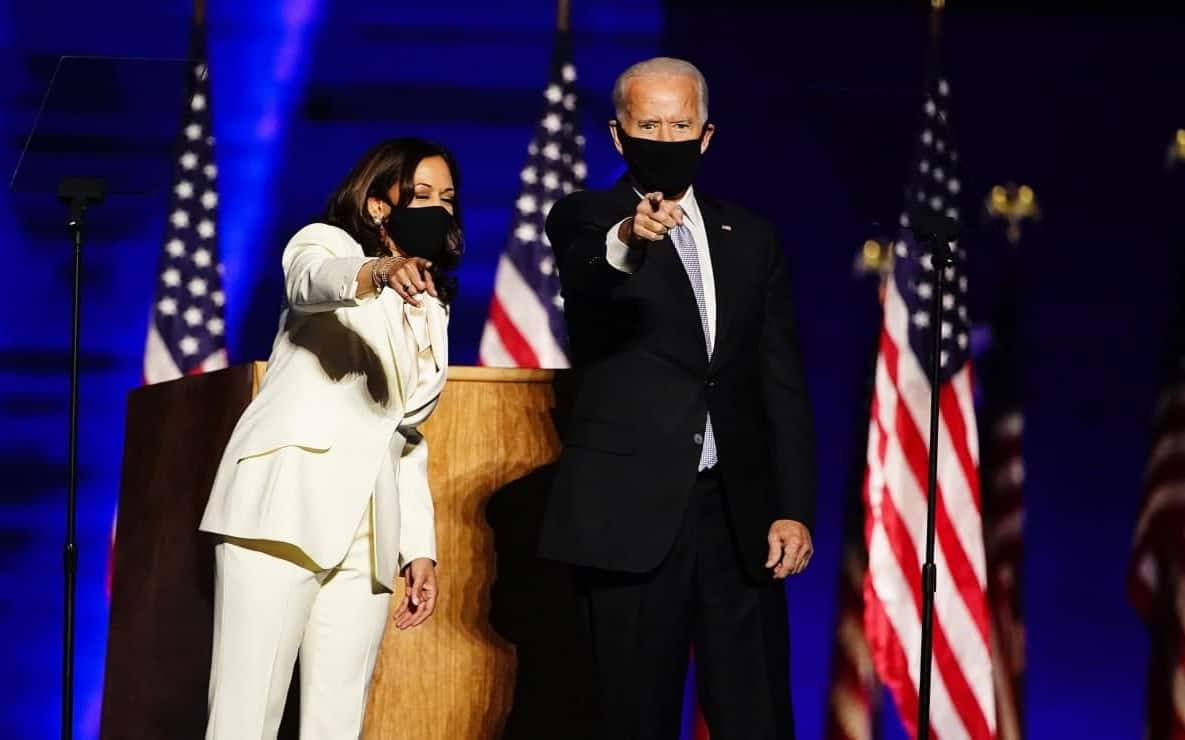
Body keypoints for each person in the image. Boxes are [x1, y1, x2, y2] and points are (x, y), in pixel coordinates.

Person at [539, 57, 817, 739]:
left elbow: (776, 378)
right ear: (617, 134)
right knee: (632, 716)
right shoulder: (585, 217)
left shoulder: (750, 236)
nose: (664, 137)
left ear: (706, 134)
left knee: (756, 716)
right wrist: (630, 238)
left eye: (679, 124)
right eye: (648, 124)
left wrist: (789, 508)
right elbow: (587, 275)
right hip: (629, 518)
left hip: (738, 518)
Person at [198, 137, 461, 739]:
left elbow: (404, 433)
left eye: (448, 199)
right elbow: (310, 282)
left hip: (370, 530)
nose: (439, 209)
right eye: (420, 195)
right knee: (246, 715)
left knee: (337, 722)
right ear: (377, 204)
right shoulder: (327, 243)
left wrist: (418, 547)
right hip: (283, 508)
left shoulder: (432, 305)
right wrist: (377, 271)